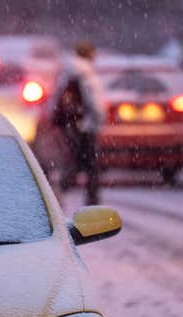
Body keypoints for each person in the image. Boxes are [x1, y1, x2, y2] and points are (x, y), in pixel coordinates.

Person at [50, 41, 106, 205]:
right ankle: (92, 203)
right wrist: (98, 121)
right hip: (85, 125)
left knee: (77, 162)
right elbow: (96, 104)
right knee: (90, 166)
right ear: (89, 55)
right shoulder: (87, 74)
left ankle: (57, 192)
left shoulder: (66, 73)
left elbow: (55, 100)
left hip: (71, 125)